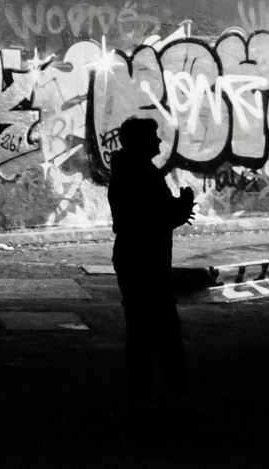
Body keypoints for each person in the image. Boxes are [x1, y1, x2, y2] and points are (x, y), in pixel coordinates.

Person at [108, 117, 195, 402]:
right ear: (139, 142)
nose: (158, 141)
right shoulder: (142, 174)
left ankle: (139, 398)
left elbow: (150, 212)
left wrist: (176, 209)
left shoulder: (129, 171)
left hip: (133, 258)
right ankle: (172, 399)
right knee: (164, 333)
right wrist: (181, 208)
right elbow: (154, 216)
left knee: (142, 331)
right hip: (145, 261)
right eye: (153, 137)